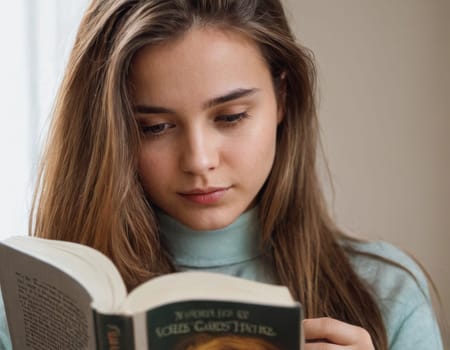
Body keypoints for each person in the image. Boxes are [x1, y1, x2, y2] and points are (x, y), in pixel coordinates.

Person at [0, 0, 444, 349]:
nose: (199, 159)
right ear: (110, 134)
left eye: (230, 117)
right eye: (155, 127)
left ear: (282, 98)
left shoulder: (386, 292)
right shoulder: (28, 304)